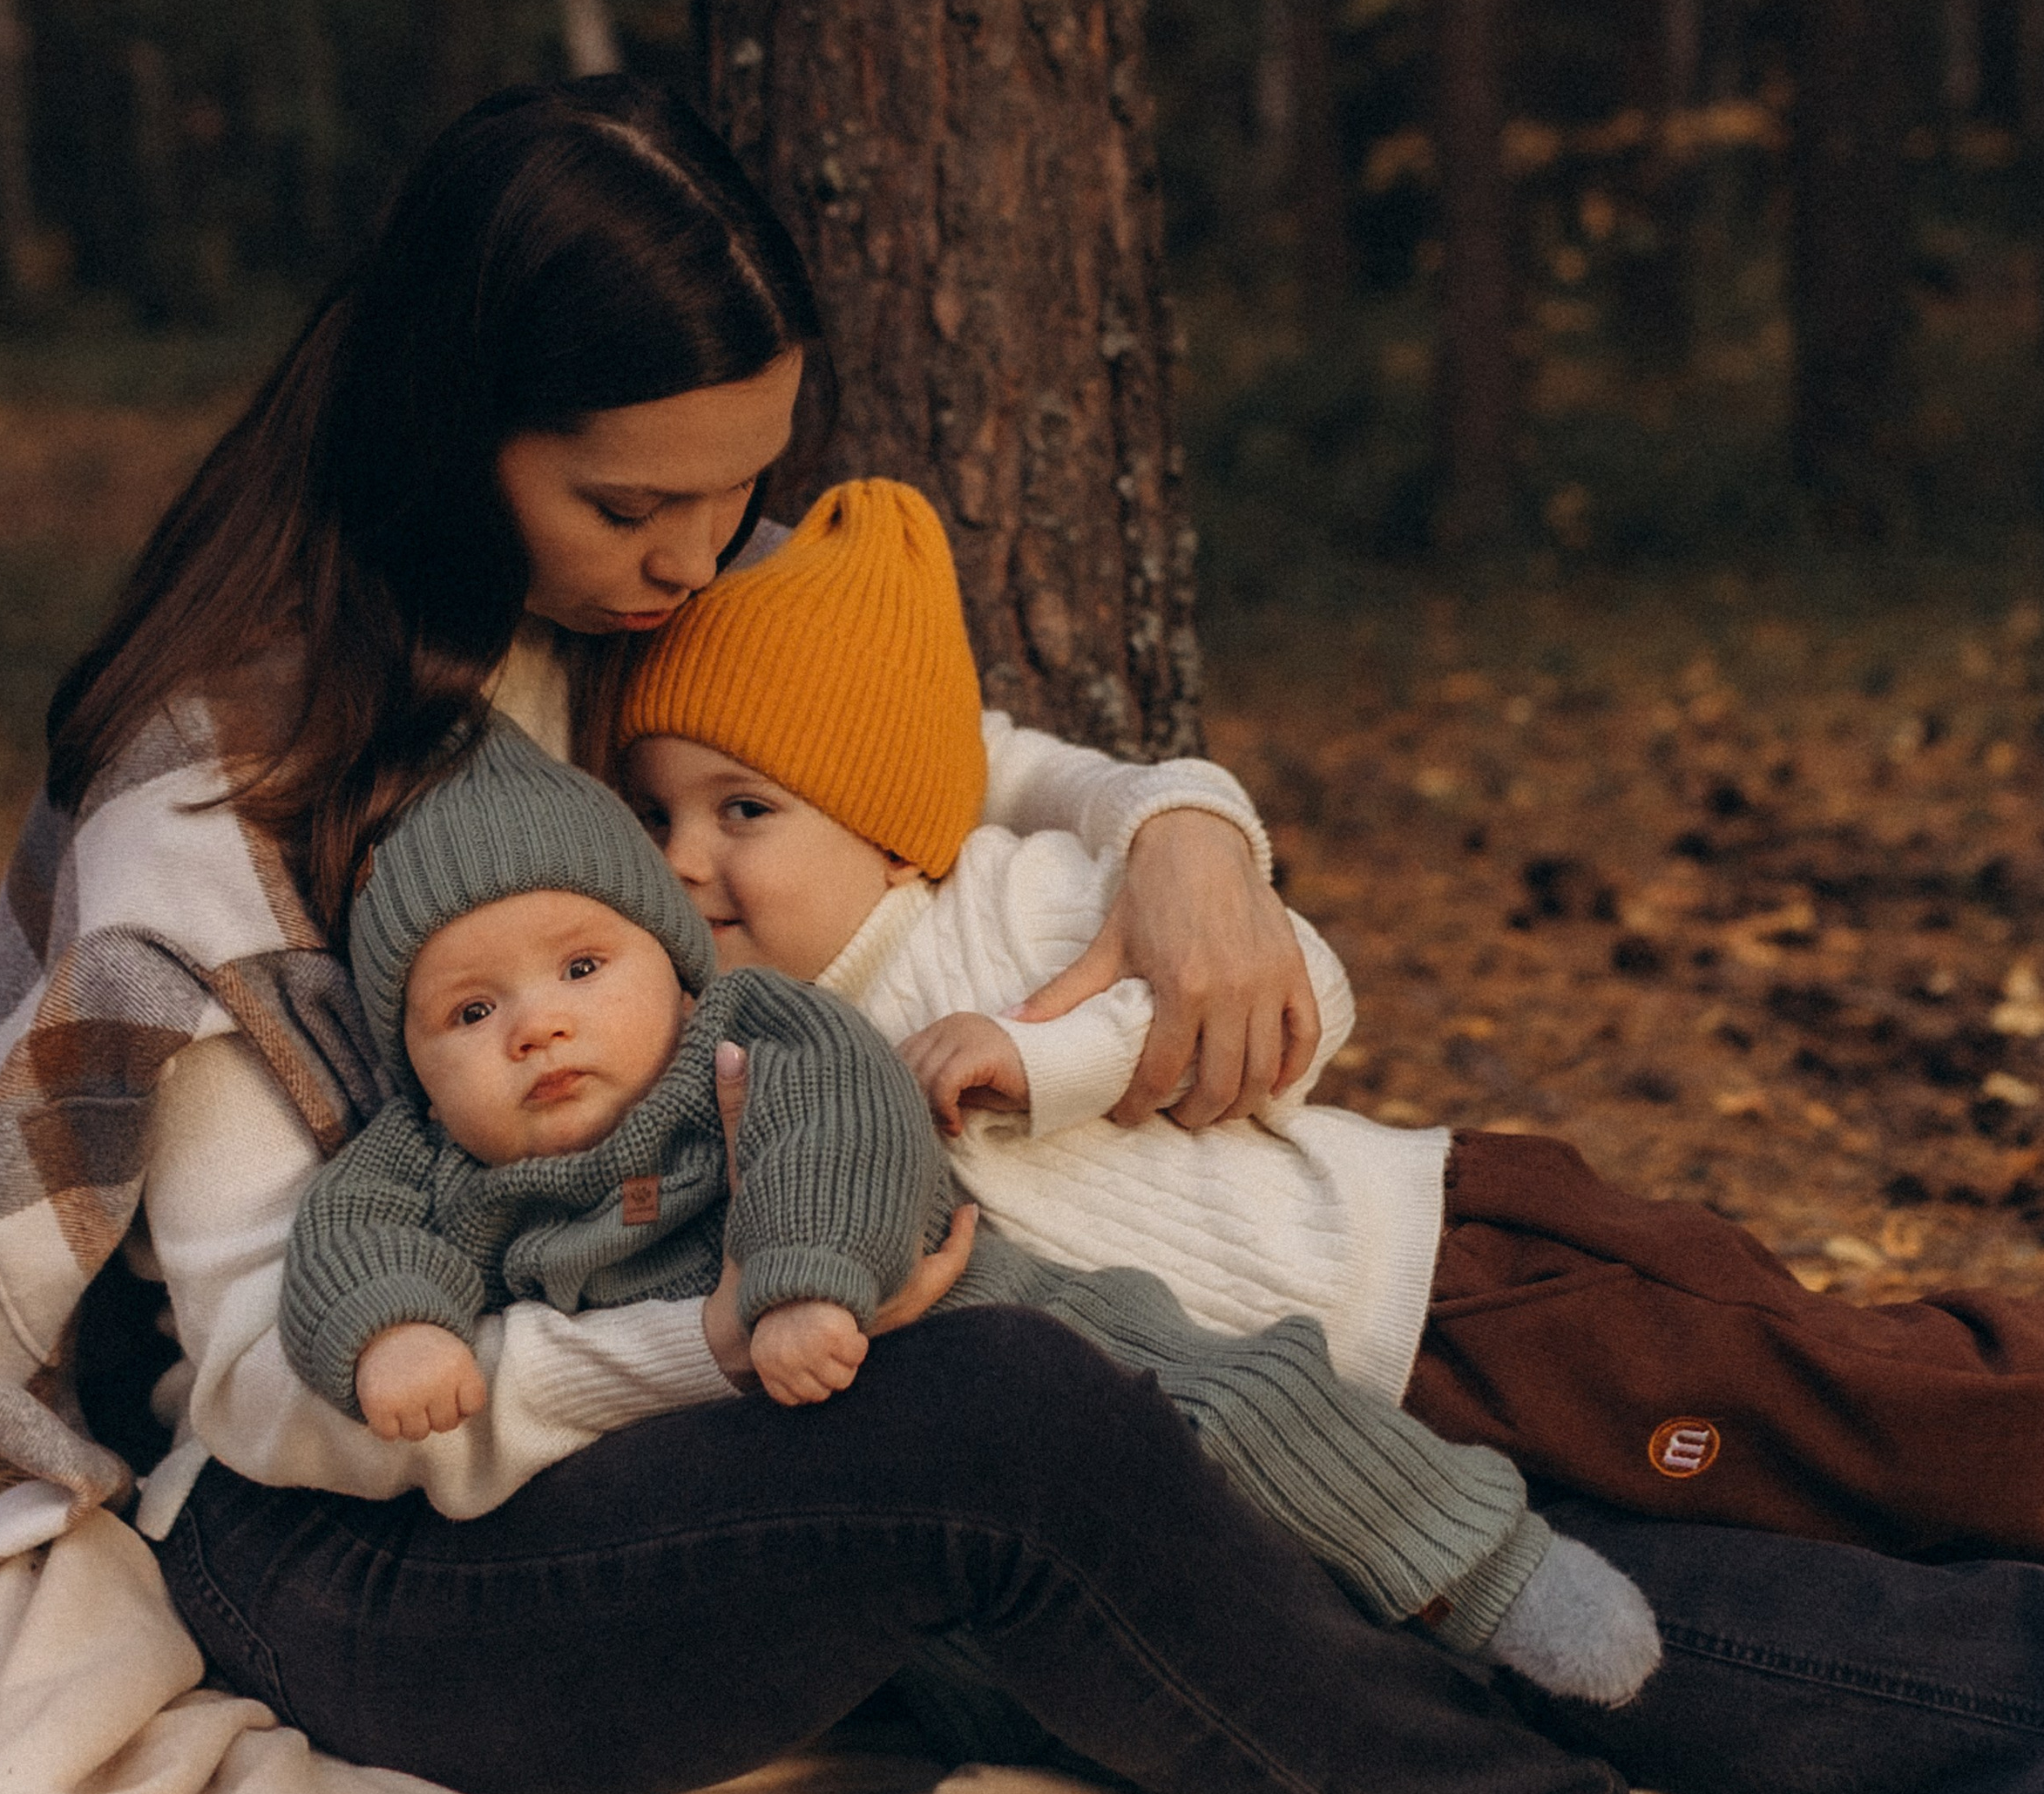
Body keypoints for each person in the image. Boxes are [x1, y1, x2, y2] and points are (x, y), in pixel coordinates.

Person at [0, 77, 2044, 1794]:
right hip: (387, 1534)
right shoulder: (218, 804)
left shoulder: (611, 613)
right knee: (1025, 1429)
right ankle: (1534, 1765)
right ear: (452, 428)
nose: (699, 559)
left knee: (1359, 1390)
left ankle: (1907, 1698)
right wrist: (721, 1341)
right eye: (638, 499)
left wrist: (1186, 826)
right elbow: (269, 1395)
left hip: (741, 1337)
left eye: (740, 491)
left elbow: (961, 760)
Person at [610, 475, 2044, 1576]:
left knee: (1845, 1400)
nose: (684, 857)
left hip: (1448, 1277)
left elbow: (1298, 980)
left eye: (746, 811)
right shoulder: (765, 1055)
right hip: (1370, 1420)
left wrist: (1038, 1062)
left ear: (887, 818)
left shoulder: (1000, 904)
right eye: (658, 812)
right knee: (1753, 1504)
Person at [278, 718, 1661, 1700]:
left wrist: (806, 1273)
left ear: (667, 955)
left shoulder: (749, 1030)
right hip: (791, 1477)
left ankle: (1489, 1569)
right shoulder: (436, 1159)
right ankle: (1329, 1664)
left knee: (1225, 1398)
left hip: (975, 1314)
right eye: (472, 1009)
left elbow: (853, 1116)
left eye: (582, 964)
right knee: (990, 1637)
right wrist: (394, 1333)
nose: (539, 1028)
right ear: (414, 1060)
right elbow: (354, 1235)